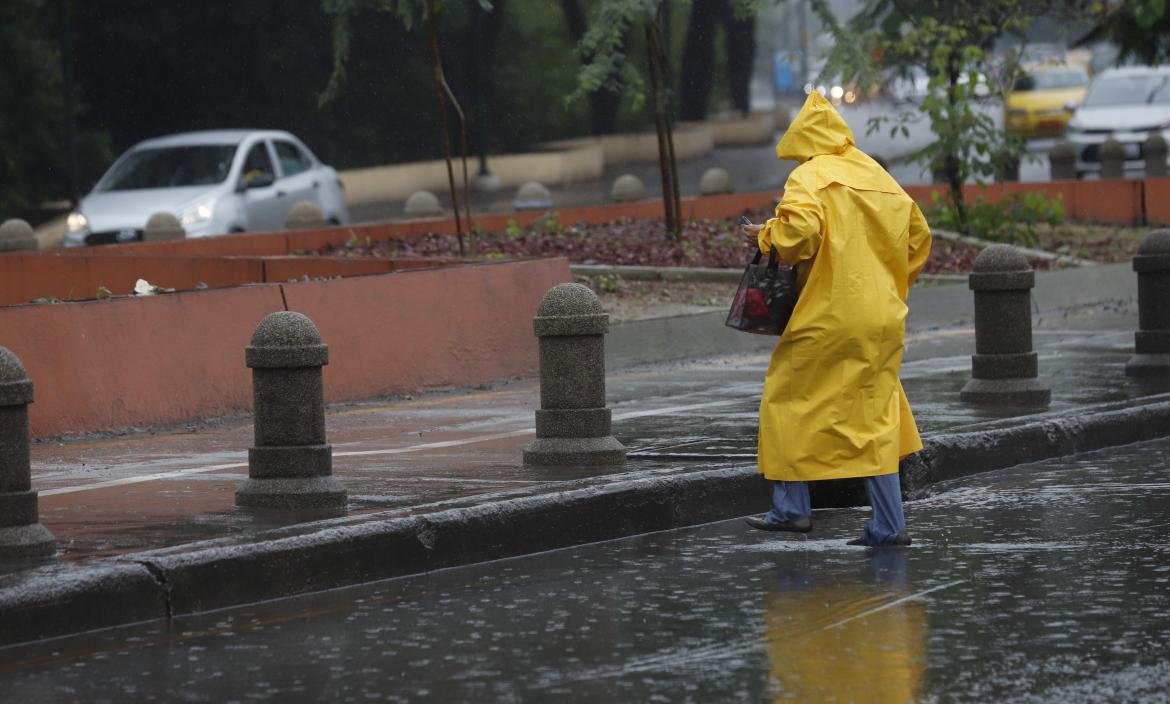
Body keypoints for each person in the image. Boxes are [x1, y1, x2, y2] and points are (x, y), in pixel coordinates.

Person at [741, 91, 931, 547]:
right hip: (883, 314)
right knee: (874, 413)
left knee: (788, 399)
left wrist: (764, 235)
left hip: (829, 312)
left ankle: (790, 511)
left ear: (805, 140)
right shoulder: (877, 175)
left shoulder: (809, 175)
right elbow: (919, 239)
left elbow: (798, 235)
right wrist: (889, 284)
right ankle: (888, 524)